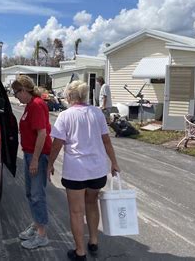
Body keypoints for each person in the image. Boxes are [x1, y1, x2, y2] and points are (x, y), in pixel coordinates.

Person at [47, 81, 121, 261]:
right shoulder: (97, 113)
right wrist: (114, 162)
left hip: (76, 172)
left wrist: (50, 164)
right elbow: (106, 141)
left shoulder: (65, 116)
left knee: (76, 212)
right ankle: (94, 240)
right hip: (97, 170)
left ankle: (80, 251)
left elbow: (57, 144)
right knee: (92, 203)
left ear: (70, 96)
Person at [11, 75, 52, 249]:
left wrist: (35, 159)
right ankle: (37, 224)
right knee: (31, 193)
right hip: (30, 154)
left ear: (25, 90)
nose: (15, 95)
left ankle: (42, 236)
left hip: (38, 155)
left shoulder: (36, 105)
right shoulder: (30, 105)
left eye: (17, 92)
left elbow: (42, 134)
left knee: (37, 195)